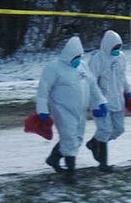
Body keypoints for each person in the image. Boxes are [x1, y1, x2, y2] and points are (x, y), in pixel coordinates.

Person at [35, 36, 107, 185]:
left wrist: (100, 102)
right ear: (68, 54)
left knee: (77, 139)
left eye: (80, 56)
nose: (78, 59)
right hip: (62, 110)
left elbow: (93, 86)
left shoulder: (82, 66)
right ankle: (70, 174)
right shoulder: (53, 68)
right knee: (69, 139)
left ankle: (53, 158)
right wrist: (42, 110)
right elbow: (43, 91)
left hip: (80, 111)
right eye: (76, 56)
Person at [85, 30, 131, 172]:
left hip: (118, 100)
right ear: (107, 46)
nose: (117, 50)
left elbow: (122, 77)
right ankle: (103, 164)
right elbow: (90, 82)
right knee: (105, 130)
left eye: (119, 47)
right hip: (102, 102)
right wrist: (96, 102)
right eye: (114, 48)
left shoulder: (121, 58)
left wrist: (128, 93)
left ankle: (94, 143)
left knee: (118, 129)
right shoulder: (97, 59)